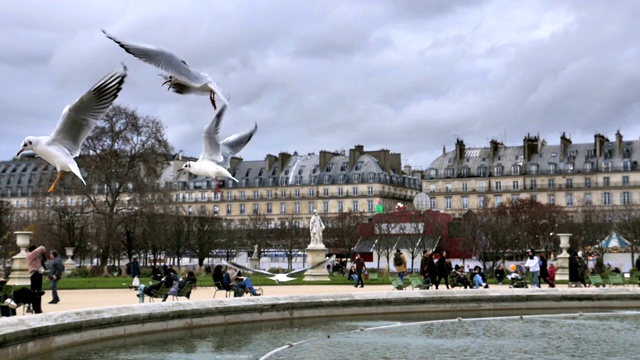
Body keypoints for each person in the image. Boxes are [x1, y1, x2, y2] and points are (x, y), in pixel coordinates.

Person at [26, 245, 46, 312]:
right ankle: (34, 307)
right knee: (34, 291)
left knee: (38, 291)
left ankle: (37, 307)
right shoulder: (30, 255)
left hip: (38, 273)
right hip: (34, 274)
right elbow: (37, 250)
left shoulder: (37, 258)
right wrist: (43, 248)